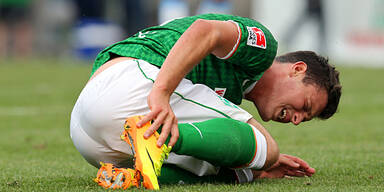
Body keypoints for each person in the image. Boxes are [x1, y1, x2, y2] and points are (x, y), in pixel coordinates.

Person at [70, 14, 341, 189]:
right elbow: (205, 30)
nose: (296, 119)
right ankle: (152, 140)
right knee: (266, 147)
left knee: (228, 165)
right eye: (305, 107)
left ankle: (132, 179)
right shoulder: (262, 49)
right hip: (133, 87)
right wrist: (161, 92)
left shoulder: (232, 95)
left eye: (303, 119)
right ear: (297, 69)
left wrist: (257, 168)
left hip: (90, 136)